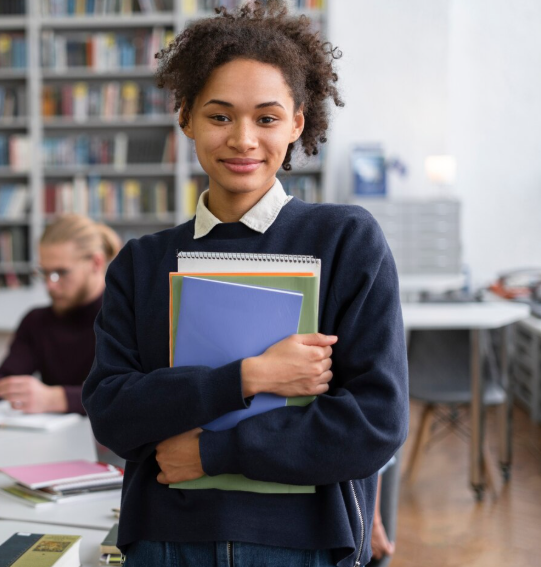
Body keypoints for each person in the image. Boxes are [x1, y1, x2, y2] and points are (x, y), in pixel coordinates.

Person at [81, 4, 408, 567]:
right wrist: (249, 376)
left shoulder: (345, 241)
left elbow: (374, 424)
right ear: (185, 118)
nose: (243, 139)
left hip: (301, 543)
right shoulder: (141, 262)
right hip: (166, 543)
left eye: (266, 118)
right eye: (220, 116)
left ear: (298, 124)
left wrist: (213, 451)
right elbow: (112, 413)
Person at [0, 214, 121, 415]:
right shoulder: (36, 321)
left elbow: (131, 395)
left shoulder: (124, 320)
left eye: (61, 272)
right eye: (44, 272)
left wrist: (56, 398)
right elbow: (3, 382)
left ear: (96, 263)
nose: (49, 285)